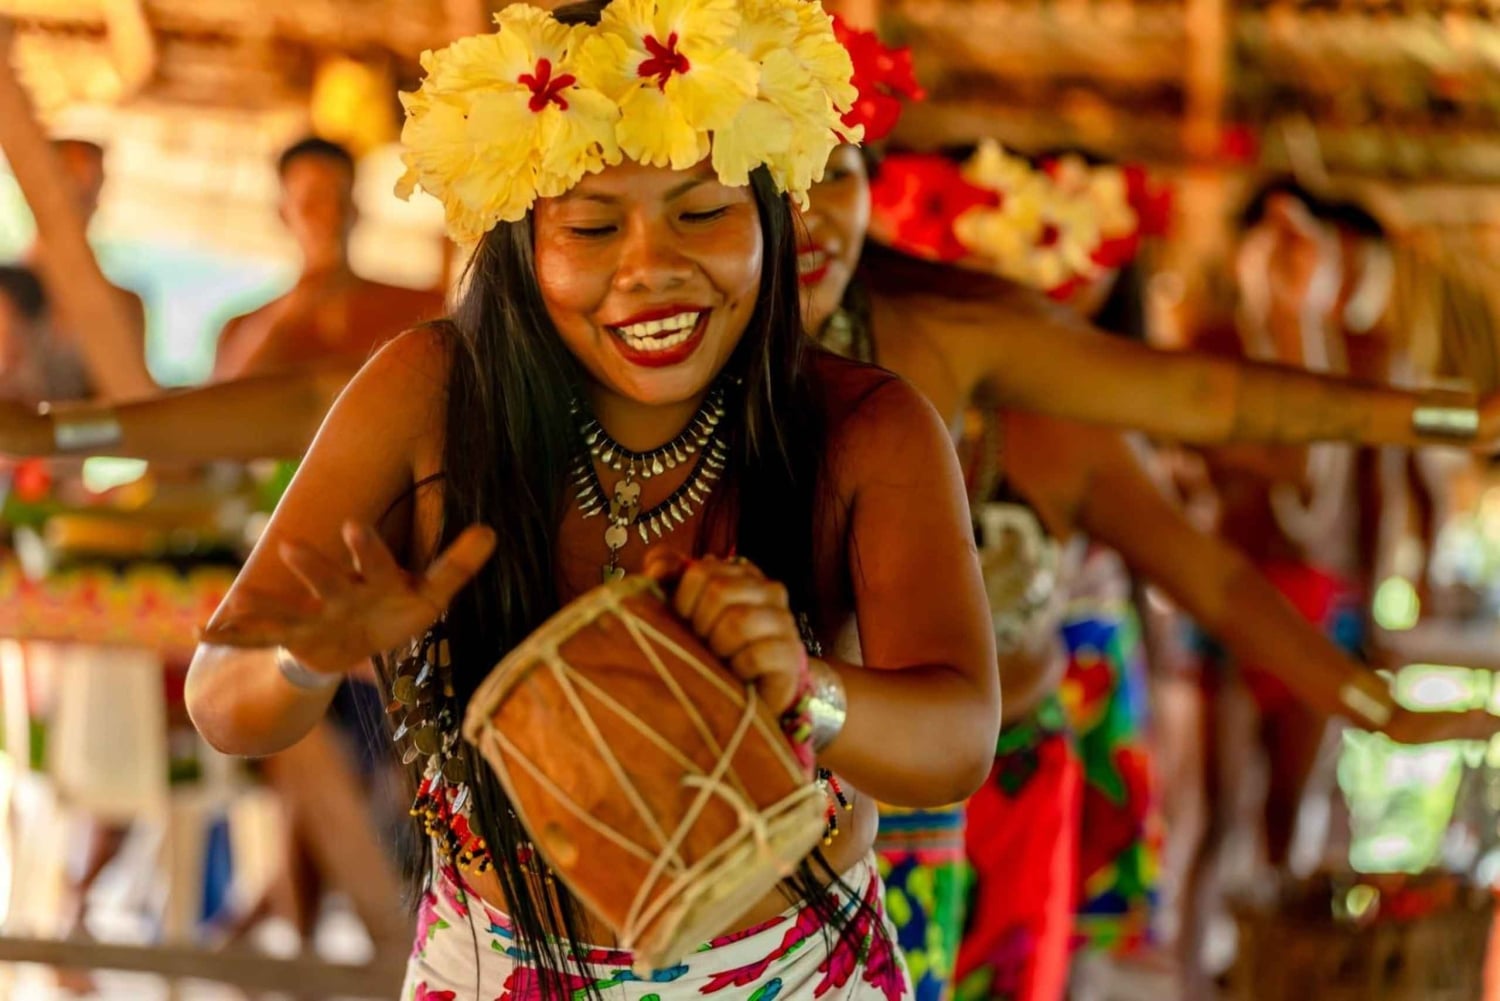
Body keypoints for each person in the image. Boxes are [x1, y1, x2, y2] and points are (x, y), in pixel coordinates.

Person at [185, 3, 1000, 998]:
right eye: (593, 226)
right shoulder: (430, 392)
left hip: (789, 970)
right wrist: (305, 655)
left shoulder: (867, 425)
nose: (650, 268)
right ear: (523, 245)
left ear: (773, 219)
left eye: (703, 212)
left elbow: (957, 740)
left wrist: (806, 684)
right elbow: (221, 697)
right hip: (492, 965)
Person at [212, 137, 446, 381]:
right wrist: (283, 318)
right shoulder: (241, 331)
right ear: (284, 214)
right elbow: (213, 408)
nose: (328, 215)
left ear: (355, 210)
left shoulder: (422, 311)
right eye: (311, 203)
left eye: (339, 199)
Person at [17, 138, 149, 401]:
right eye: (71, 184)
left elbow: (127, 401)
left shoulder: (123, 307)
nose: (82, 201)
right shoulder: (7, 295)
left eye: (92, 188)